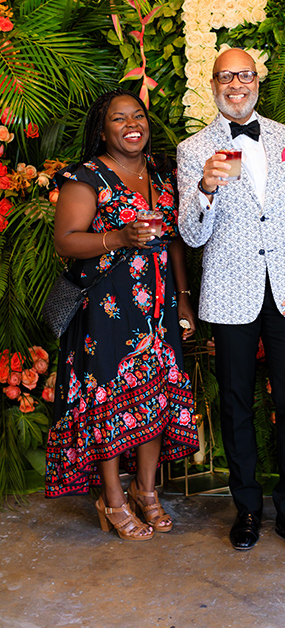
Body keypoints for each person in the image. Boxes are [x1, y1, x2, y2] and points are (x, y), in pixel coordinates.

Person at [176, 48, 285, 560]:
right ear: (212, 83)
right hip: (230, 295)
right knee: (236, 402)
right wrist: (206, 189)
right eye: (225, 76)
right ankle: (246, 509)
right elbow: (192, 236)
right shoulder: (192, 149)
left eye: (243, 74)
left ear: (256, 79)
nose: (235, 84)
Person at [45, 89, 199, 540]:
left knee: (154, 400)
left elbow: (172, 240)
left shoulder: (163, 173)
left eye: (138, 115)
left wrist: (184, 298)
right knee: (110, 404)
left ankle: (146, 494)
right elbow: (67, 240)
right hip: (106, 311)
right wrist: (119, 237)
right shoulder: (86, 177)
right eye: (119, 118)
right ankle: (112, 498)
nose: (132, 124)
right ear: (103, 129)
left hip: (158, 308)